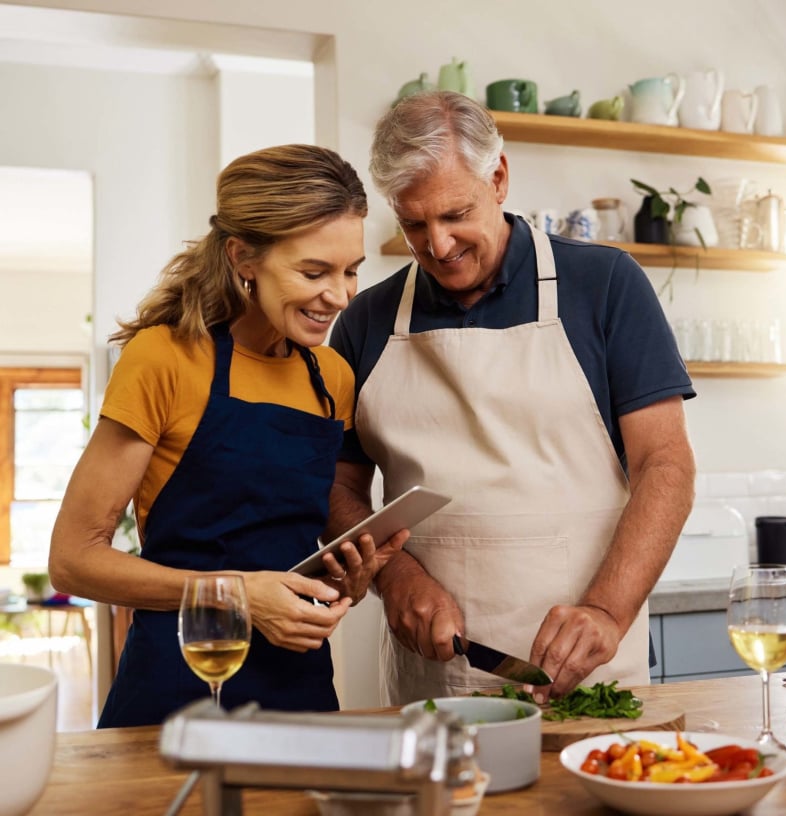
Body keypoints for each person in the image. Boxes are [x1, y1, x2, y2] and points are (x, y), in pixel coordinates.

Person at [328, 91, 697, 707]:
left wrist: (606, 608)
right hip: (434, 679)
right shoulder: (365, 319)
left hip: (588, 668)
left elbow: (667, 464)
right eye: (414, 224)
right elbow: (336, 488)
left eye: (454, 214)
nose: (439, 245)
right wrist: (395, 576)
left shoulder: (606, 286)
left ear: (498, 178)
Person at [49, 144, 406, 727]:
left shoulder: (331, 378)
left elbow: (287, 545)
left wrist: (348, 578)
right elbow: (72, 561)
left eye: (350, 271)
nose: (340, 296)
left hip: (300, 691)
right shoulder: (164, 359)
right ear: (244, 258)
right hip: (181, 681)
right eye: (313, 272)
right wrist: (239, 595)